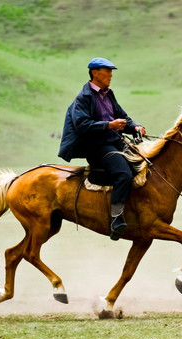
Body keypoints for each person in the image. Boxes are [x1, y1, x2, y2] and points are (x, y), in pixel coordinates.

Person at [58, 58, 146, 241]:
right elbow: (82, 125)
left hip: (115, 142)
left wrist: (136, 127)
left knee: (145, 165)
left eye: (111, 71)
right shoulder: (83, 98)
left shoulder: (108, 94)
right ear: (95, 72)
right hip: (97, 146)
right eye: (107, 71)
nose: (111, 75)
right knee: (123, 174)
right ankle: (116, 219)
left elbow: (123, 118)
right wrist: (109, 125)